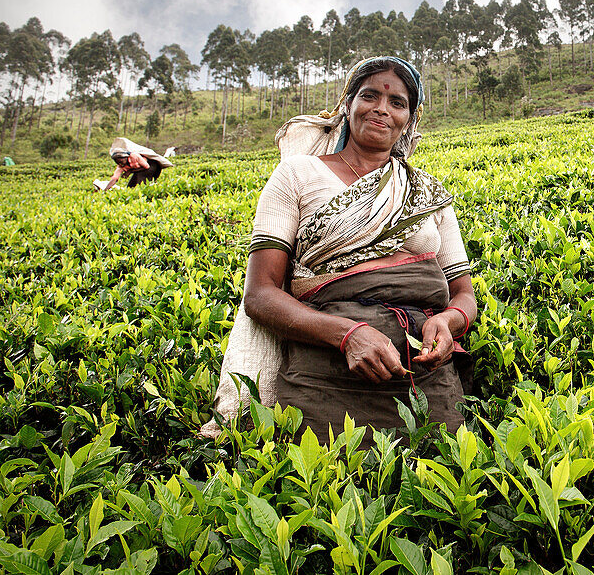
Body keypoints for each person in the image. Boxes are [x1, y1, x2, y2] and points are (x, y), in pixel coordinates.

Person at [204, 56, 476, 447]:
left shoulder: (428, 192)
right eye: (369, 96)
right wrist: (347, 336)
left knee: (434, 483)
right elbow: (261, 295)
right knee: (328, 483)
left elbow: (464, 293)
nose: (382, 109)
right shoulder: (297, 175)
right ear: (346, 105)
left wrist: (449, 322)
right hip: (327, 373)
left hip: (423, 377)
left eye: (397, 102)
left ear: (409, 119)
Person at [92, 137, 173, 191]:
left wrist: (130, 171)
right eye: (117, 162)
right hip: (141, 170)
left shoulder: (134, 156)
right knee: (130, 187)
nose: (119, 163)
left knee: (139, 183)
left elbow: (146, 166)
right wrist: (105, 189)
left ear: (125, 157)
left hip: (152, 166)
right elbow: (114, 179)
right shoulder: (120, 167)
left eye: (120, 161)